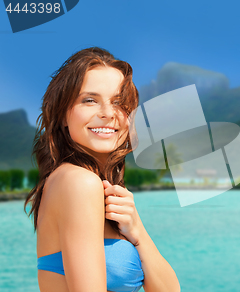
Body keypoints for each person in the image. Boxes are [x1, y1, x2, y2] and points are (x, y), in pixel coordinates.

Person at [24, 47, 181, 292]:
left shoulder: (89, 184)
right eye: (90, 100)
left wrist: (136, 228)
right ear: (63, 114)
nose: (108, 113)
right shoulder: (78, 182)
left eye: (119, 102)